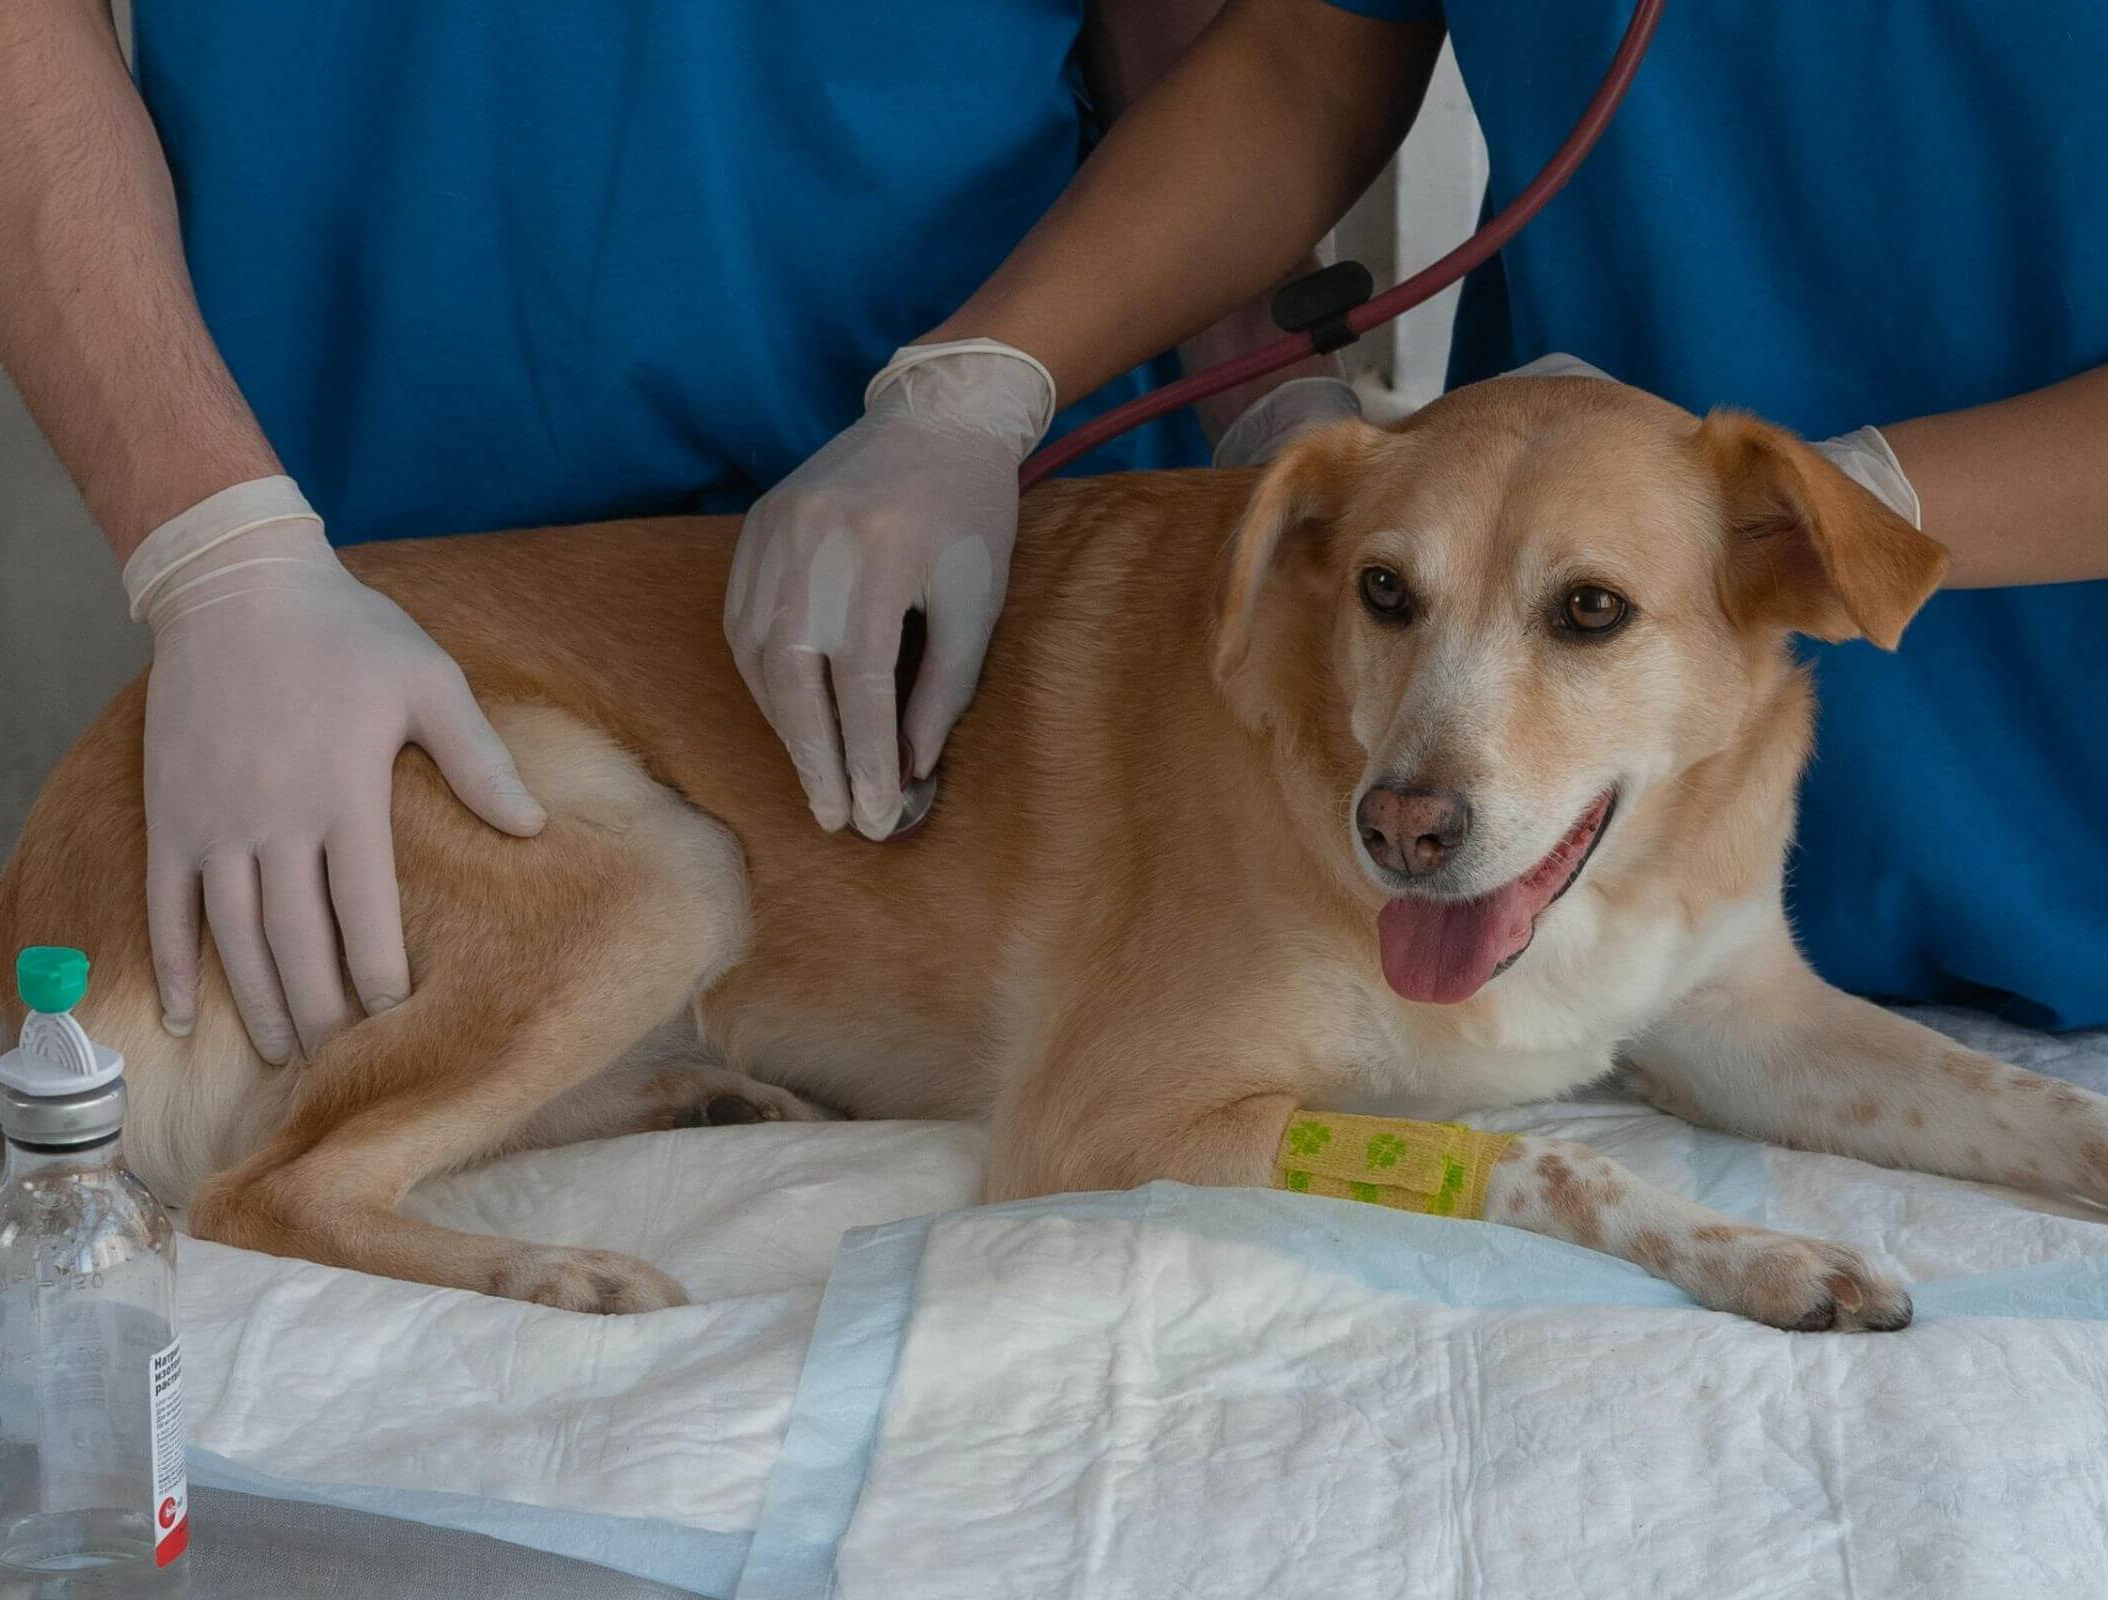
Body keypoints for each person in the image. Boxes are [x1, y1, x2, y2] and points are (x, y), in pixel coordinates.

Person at [0, 0, 1324, 1065]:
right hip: (419, 674)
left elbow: (1226, 46)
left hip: (977, 621)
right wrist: (212, 547)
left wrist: (1274, 424)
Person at [747, 0, 2108, 1029]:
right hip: (1539, 834)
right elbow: (1308, 60)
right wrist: (972, 388)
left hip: (2047, 788)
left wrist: (1840, 518)